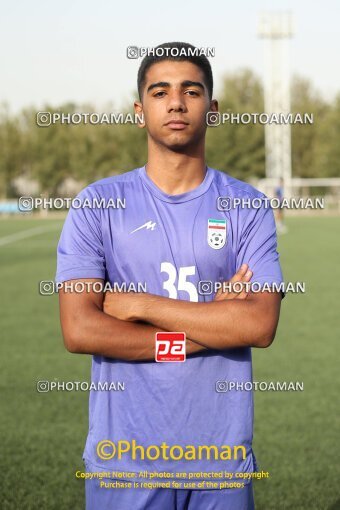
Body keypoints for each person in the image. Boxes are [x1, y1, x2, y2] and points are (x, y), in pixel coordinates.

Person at [56, 41, 283, 510]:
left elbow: (259, 326)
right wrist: (216, 322)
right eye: (160, 92)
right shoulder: (98, 205)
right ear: (140, 111)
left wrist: (141, 306)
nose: (176, 102)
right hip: (124, 462)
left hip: (220, 463)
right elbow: (80, 330)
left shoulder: (249, 206)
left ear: (213, 109)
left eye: (191, 91)